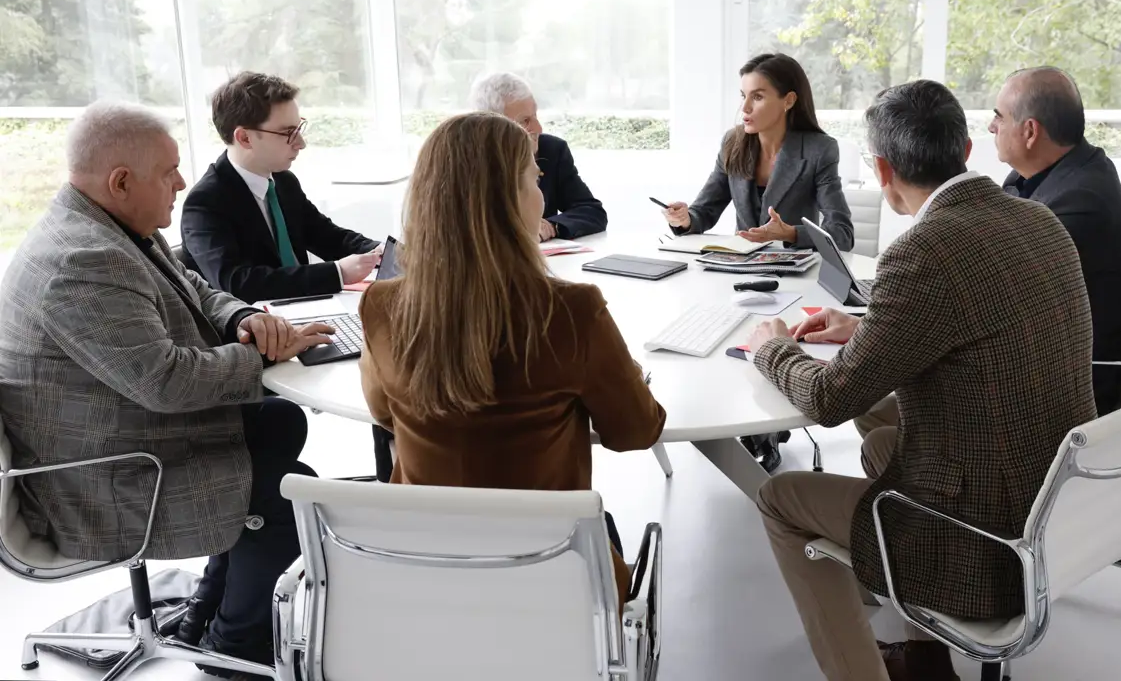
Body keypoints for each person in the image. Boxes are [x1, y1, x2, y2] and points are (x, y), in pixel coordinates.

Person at [745, 80, 1095, 681]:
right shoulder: (1038, 219)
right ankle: (928, 660)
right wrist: (867, 323)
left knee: (779, 498)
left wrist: (772, 350)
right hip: (1059, 512)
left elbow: (830, 400)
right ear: (963, 148)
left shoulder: (925, 250)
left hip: (986, 544)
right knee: (884, 442)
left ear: (882, 169)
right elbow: (973, 311)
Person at [0, 102, 333, 676]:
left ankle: (205, 613)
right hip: (100, 480)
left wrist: (241, 320)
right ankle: (234, 650)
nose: (182, 182)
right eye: (169, 172)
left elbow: (197, 287)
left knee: (280, 420)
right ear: (121, 181)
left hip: (118, 434)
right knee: (291, 499)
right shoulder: (82, 260)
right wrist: (260, 353)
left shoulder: (110, 224)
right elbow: (166, 380)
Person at [358, 112, 665, 599]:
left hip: (422, 568)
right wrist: (625, 376)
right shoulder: (573, 311)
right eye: (534, 179)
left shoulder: (381, 305)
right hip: (553, 575)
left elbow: (383, 413)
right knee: (599, 522)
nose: (542, 195)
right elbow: (635, 432)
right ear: (508, 199)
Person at [662, 52, 855, 472]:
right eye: (743, 97)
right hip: (737, 272)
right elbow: (705, 211)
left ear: (788, 100)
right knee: (706, 337)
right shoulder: (734, 143)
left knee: (759, 337)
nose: (745, 108)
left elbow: (841, 233)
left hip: (792, 279)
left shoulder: (820, 150)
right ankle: (740, 422)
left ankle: (761, 433)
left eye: (758, 97)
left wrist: (789, 234)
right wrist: (684, 218)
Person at [990, 66, 1121, 416]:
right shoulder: (1039, 175)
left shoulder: (1081, 202)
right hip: (1036, 360)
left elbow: (994, 295)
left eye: (999, 117)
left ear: (1030, 131)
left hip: (1059, 393)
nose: (991, 127)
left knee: (892, 406)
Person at [180, 71, 382, 305]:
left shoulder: (284, 182)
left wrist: (379, 251)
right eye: (288, 133)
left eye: (299, 129)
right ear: (245, 138)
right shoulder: (205, 203)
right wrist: (337, 272)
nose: (301, 143)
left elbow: (327, 236)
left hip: (308, 311)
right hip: (258, 331)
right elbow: (237, 284)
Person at [468, 71, 608, 241]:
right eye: (525, 121)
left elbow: (591, 210)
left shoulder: (552, 150)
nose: (539, 128)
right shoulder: (465, 161)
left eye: (535, 115)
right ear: (491, 126)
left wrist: (551, 226)